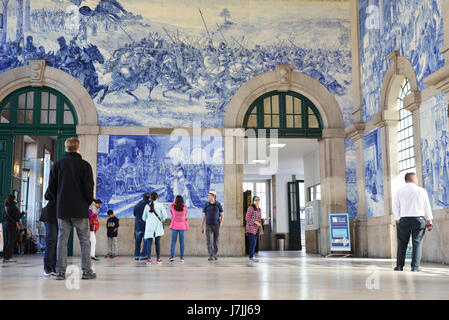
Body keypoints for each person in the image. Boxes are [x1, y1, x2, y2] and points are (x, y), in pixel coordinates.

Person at [49, 137, 96, 280]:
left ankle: (60, 272)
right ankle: (87, 271)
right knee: (85, 241)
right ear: (78, 148)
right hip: (80, 209)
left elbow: (51, 188)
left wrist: (59, 202)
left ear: (66, 148)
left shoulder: (58, 165)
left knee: (61, 241)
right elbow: (89, 188)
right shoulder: (85, 165)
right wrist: (87, 202)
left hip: (63, 210)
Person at [393, 172, 433, 272]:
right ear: (413, 179)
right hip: (418, 219)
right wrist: (429, 220)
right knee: (417, 243)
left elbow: (395, 206)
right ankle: (415, 267)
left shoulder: (399, 191)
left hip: (404, 219)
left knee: (402, 243)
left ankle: (399, 266)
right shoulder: (421, 191)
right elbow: (427, 207)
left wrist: (397, 218)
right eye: (417, 179)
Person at [142, 192, 167, 264]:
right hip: (157, 226)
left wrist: (149, 219)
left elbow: (144, 218)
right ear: (157, 198)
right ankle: (158, 259)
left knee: (149, 244)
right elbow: (165, 216)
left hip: (149, 227)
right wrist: (161, 219)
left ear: (150, 198)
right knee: (157, 243)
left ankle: (149, 259)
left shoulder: (147, 206)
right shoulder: (160, 205)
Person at [2, 194, 26, 263]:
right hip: (12, 226)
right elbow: (17, 217)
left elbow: (4, 217)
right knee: (11, 241)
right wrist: (23, 213)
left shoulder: (5, 207)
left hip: (6, 225)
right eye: (15, 199)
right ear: (13, 199)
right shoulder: (13, 207)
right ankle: (8, 257)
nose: (16, 200)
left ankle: (5, 256)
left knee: (7, 241)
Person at [201, 190, 224, 261]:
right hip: (208, 225)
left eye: (209, 195)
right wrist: (202, 226)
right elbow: (204, 216)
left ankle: (215, 254)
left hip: (216, 225)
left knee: (216, 241)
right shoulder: (206, 204)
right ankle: (210, 255)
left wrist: (221, 223)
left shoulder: (218, 204)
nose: (208, 196)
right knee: (209, 241)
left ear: (213, 196)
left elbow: (222, 215)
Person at [40, 188, 58, 276]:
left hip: (60, 215)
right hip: (50, 214)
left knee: (57, 241)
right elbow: (47, 196)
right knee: (52, 239)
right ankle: (48, 268)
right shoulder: (55, 182)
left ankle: (54, 268)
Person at [169, 195, 189, 263]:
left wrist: (174, 203)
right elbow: (185, 214)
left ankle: (172, 257)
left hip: (174, 226)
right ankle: (182, 258)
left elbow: (171, 213)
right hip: (182, 226)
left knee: (173, 242)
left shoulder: (172, 207)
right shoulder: (185, 207)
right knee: (182, 243)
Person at [133, 193, 151, 260]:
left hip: (138, 226)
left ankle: (136, 255)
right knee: (145, 242)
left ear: (142, 198)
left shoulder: (137, 204)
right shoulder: (150, 205)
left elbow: (134, 213)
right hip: (146, 226)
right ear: (149, 198)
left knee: (137, 242)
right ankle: (143, 255)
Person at [245, 196, 263, 262]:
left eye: (258, 200)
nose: (257, 201)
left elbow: (259, 219)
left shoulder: (259, 209)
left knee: (254, 243)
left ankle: (252, 256)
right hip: (250, 228)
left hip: (256, 229)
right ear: (253, 201)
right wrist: (255, 222)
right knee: (252, 243)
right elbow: (247, 218)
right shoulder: (251, 208)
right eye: (255, 200)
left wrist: (263, 220)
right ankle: (251, 257)